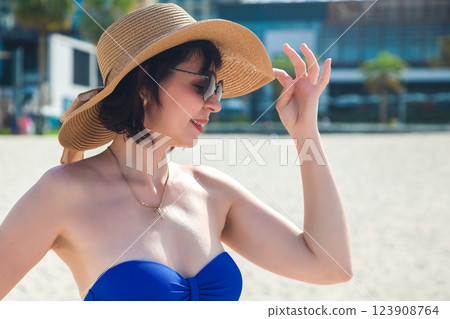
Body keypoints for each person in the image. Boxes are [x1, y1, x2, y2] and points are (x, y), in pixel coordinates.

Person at [0, 3, 352, 301]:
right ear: (143, 85)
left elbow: (330, 266)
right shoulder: (63, 193)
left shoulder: (212, 192)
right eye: (203, 85)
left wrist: (307, 133)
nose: (215, 103)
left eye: (219, 86)